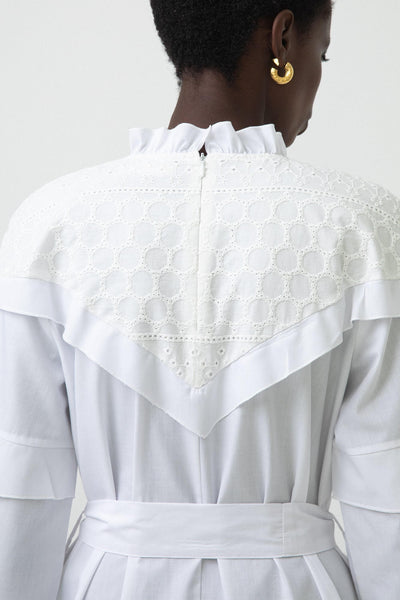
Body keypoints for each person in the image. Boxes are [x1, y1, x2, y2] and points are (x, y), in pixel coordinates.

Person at [0, 0, 399, 598]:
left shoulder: (50, 223)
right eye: (323, 53)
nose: (318, 82)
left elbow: (19, 488)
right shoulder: (363, 226)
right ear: (283, 39)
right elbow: (387, 487)